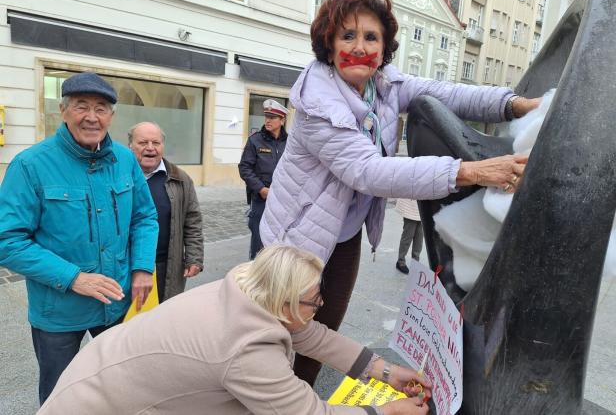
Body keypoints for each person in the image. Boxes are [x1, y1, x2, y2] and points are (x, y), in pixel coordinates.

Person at [259, 0, 541, 385]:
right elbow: (369, 172)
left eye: (371, 36)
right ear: (328, 42)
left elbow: (445, 93)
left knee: (321, 338)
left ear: (384, 46)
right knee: (279, 339)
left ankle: (298, 402)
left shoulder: (384, 84)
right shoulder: (318, 101)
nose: (360, 46)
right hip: (295, 240)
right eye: (348, 35)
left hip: (343, 235)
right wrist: (473, 171)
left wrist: (514, 105)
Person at [38, 245, 431, 415]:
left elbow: (309, 334)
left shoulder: (250, 286)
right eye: (314, 300)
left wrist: (385, 371)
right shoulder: (245, 350)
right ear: (284, 303)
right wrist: (386, 410)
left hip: (99, 379)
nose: (322, 305)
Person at [0, 72, 159, 405]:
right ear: (63, 111)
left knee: (121, 385)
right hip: (58, 313)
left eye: (101, 108)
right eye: (81, 106)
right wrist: (74, 278)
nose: (91, 116)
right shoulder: (30, 165)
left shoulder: (125, 159)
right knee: (62, 397)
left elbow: (145, 217)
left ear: (111, 116)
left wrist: (143, 268)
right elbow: (8, 241)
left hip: (116, 302)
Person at [128, 121, 204, 302]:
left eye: (156, 143)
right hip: (127, 265)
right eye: (143, 143)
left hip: (167, 265)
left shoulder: (180, 178)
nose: (150, 148)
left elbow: (192, 220)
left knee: (161, 318)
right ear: (130, 145)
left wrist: (194, 257)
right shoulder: (119, 176)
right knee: (127, 323)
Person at [238, 99, 288, 259]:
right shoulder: (255, 140)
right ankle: (255, 276)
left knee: (282, 242)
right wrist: (261, 189)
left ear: (282, 120)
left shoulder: (291, 142)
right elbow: (244, 168)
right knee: (259, 242)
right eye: (266, 116)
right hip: (261, 199)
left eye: (272, 117)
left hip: (284, 200)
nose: (267, 120)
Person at [394, 199, 423, 274]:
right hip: (410, 203)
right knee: (408, 236)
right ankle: (400, 262)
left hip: (423, 203)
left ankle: (416, 263)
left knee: (419, 238)